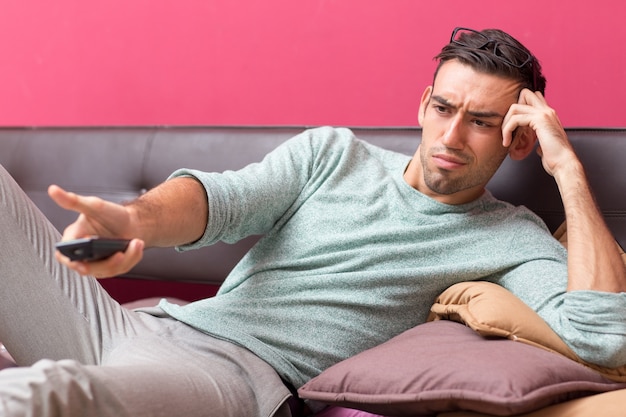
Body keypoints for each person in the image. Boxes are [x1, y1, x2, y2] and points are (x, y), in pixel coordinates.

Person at [0, 26, 625, 417]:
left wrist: (566, 167)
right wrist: (133, 219)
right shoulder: (332, 153)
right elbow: (222, 201)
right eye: (443, 107)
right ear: (423, 104)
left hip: (235, 377)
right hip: (139, 323)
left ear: (518, 139)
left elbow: (603, 337)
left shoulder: (513, 237)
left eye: (483, 122)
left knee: (46, 396)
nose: (452, 135)